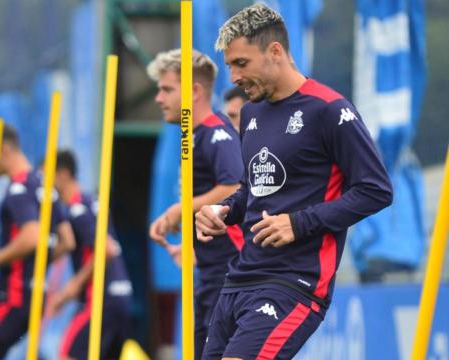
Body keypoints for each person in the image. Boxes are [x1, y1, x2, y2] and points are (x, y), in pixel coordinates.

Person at [194, 5, 393, 359]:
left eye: (241, 63)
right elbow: (251, 192)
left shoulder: (330, 109)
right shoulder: (251, 114)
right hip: (239, 278)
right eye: (229, 66)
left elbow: (375, 190)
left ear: (275, 51)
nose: (234, 77)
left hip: (293, 283)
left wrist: (299, 223)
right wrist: (221, 211)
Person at [146, 48, 245, 359]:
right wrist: (187, 243)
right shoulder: (194, 136)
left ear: (195, 91)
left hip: (230, 272)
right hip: (210, 269)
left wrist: (180, 208)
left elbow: (234, 186)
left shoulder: (217, 133)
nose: (159, 99)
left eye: (166, 89)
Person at [0, 123, 75, 360]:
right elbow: (67, 241)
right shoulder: (43, 185)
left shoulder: (19, 187)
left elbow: (33, 236)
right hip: (34, 294)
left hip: (13, 294)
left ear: (5, 150)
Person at [45, 149, 133, 360]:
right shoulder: (92, 202)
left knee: (67, 354)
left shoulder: (77, 210)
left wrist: (72, 286)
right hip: (121, 298)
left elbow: (107, 249)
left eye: (47, 176)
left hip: (100, 301)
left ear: (62, 174)